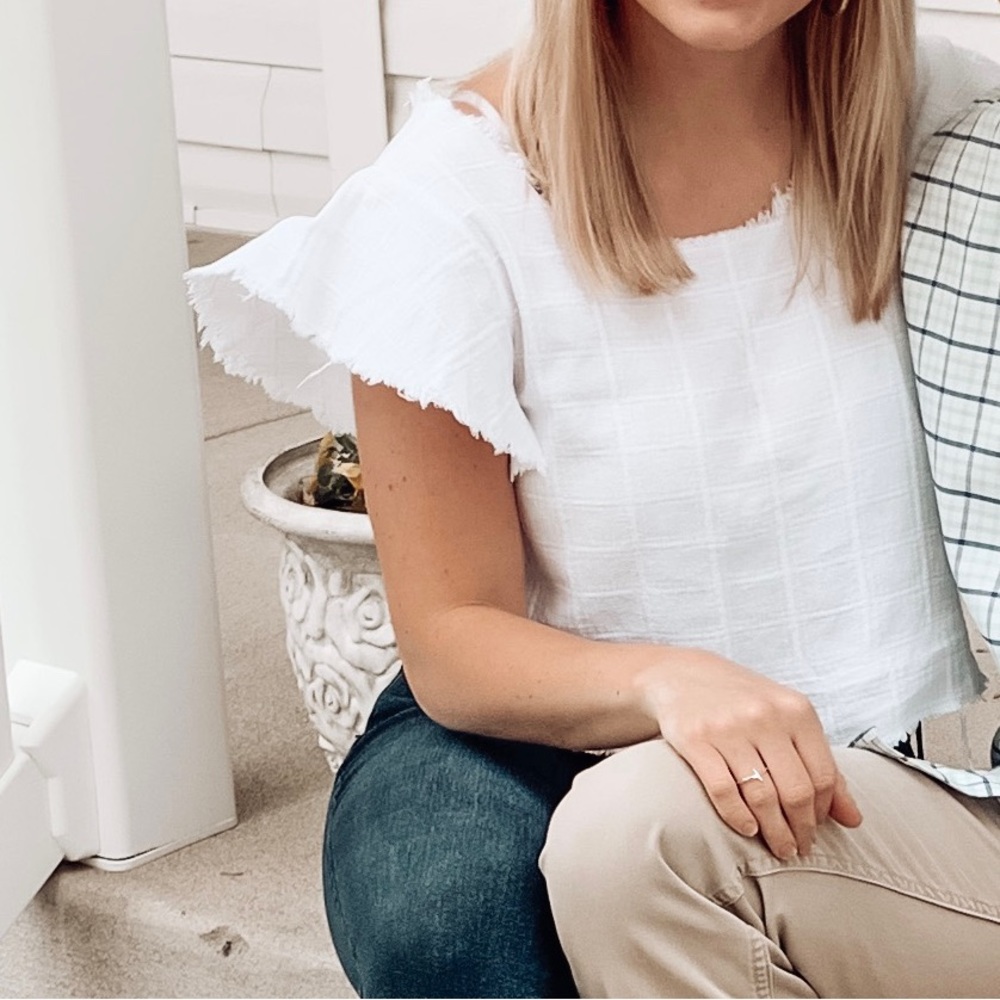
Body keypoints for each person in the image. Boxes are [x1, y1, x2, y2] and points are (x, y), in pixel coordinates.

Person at [186, 1, 1000, 996]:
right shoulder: (445, 203)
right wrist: (665, 681)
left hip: (851, 757)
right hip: (545, 725)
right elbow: (450, 635)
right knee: (440, 911)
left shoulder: (931, 114)